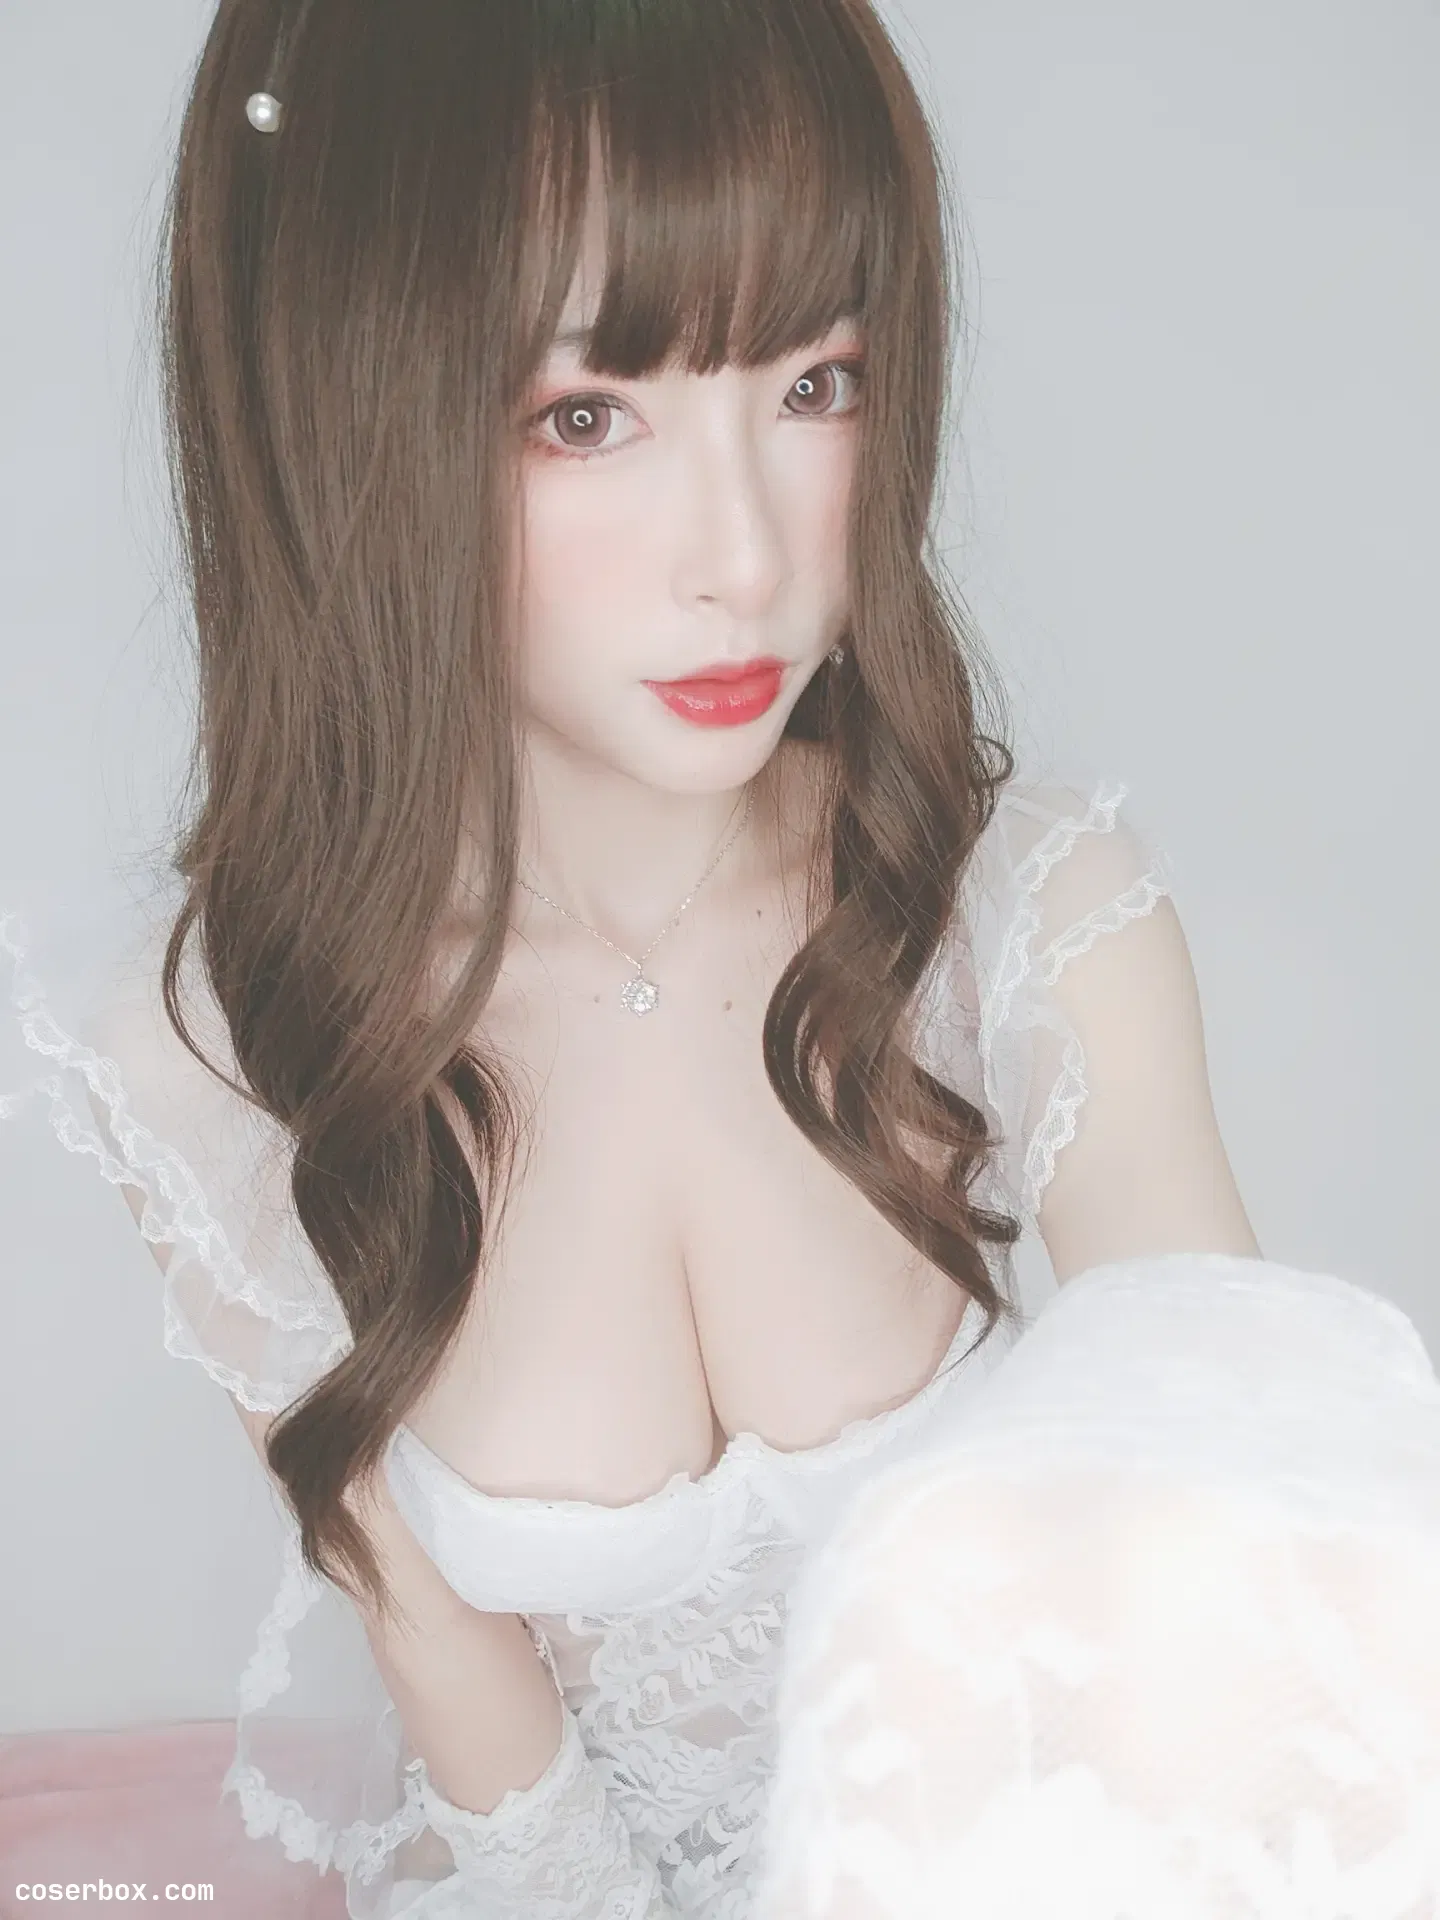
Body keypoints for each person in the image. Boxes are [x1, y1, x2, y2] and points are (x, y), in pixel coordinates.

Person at [3, 2, 1434, 1917]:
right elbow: (472, 1709)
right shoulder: (215, 1050)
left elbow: (1235, 1593)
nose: (744, 556)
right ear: (342, 418)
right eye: (587, 415)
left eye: (815, 383)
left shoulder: (1030, 926)